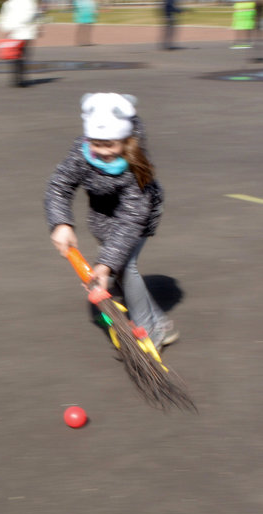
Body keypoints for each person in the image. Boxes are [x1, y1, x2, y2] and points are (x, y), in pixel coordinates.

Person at [45, 92, 177, 350]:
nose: (103, 151)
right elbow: (59, 186)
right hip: (103, 217)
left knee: (125, 267)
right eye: (96, 143)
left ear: (127, 140)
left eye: (110, 144)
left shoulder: (136, 166)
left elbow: (130, 220)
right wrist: (61, 223)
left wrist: (105, 264)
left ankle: (151, 331)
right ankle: (160, 323)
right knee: (117, 270)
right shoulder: (82, 153)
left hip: (138, 216)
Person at [0, 0, 41, 87]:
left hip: (13, 32)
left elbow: (3, 16)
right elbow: (32, 17)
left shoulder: (9, 3)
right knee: (24, 55)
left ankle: (15, 78)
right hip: (26, 32)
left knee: (14, 56)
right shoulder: (31, 2)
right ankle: (21, 78)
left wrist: (6, 28)